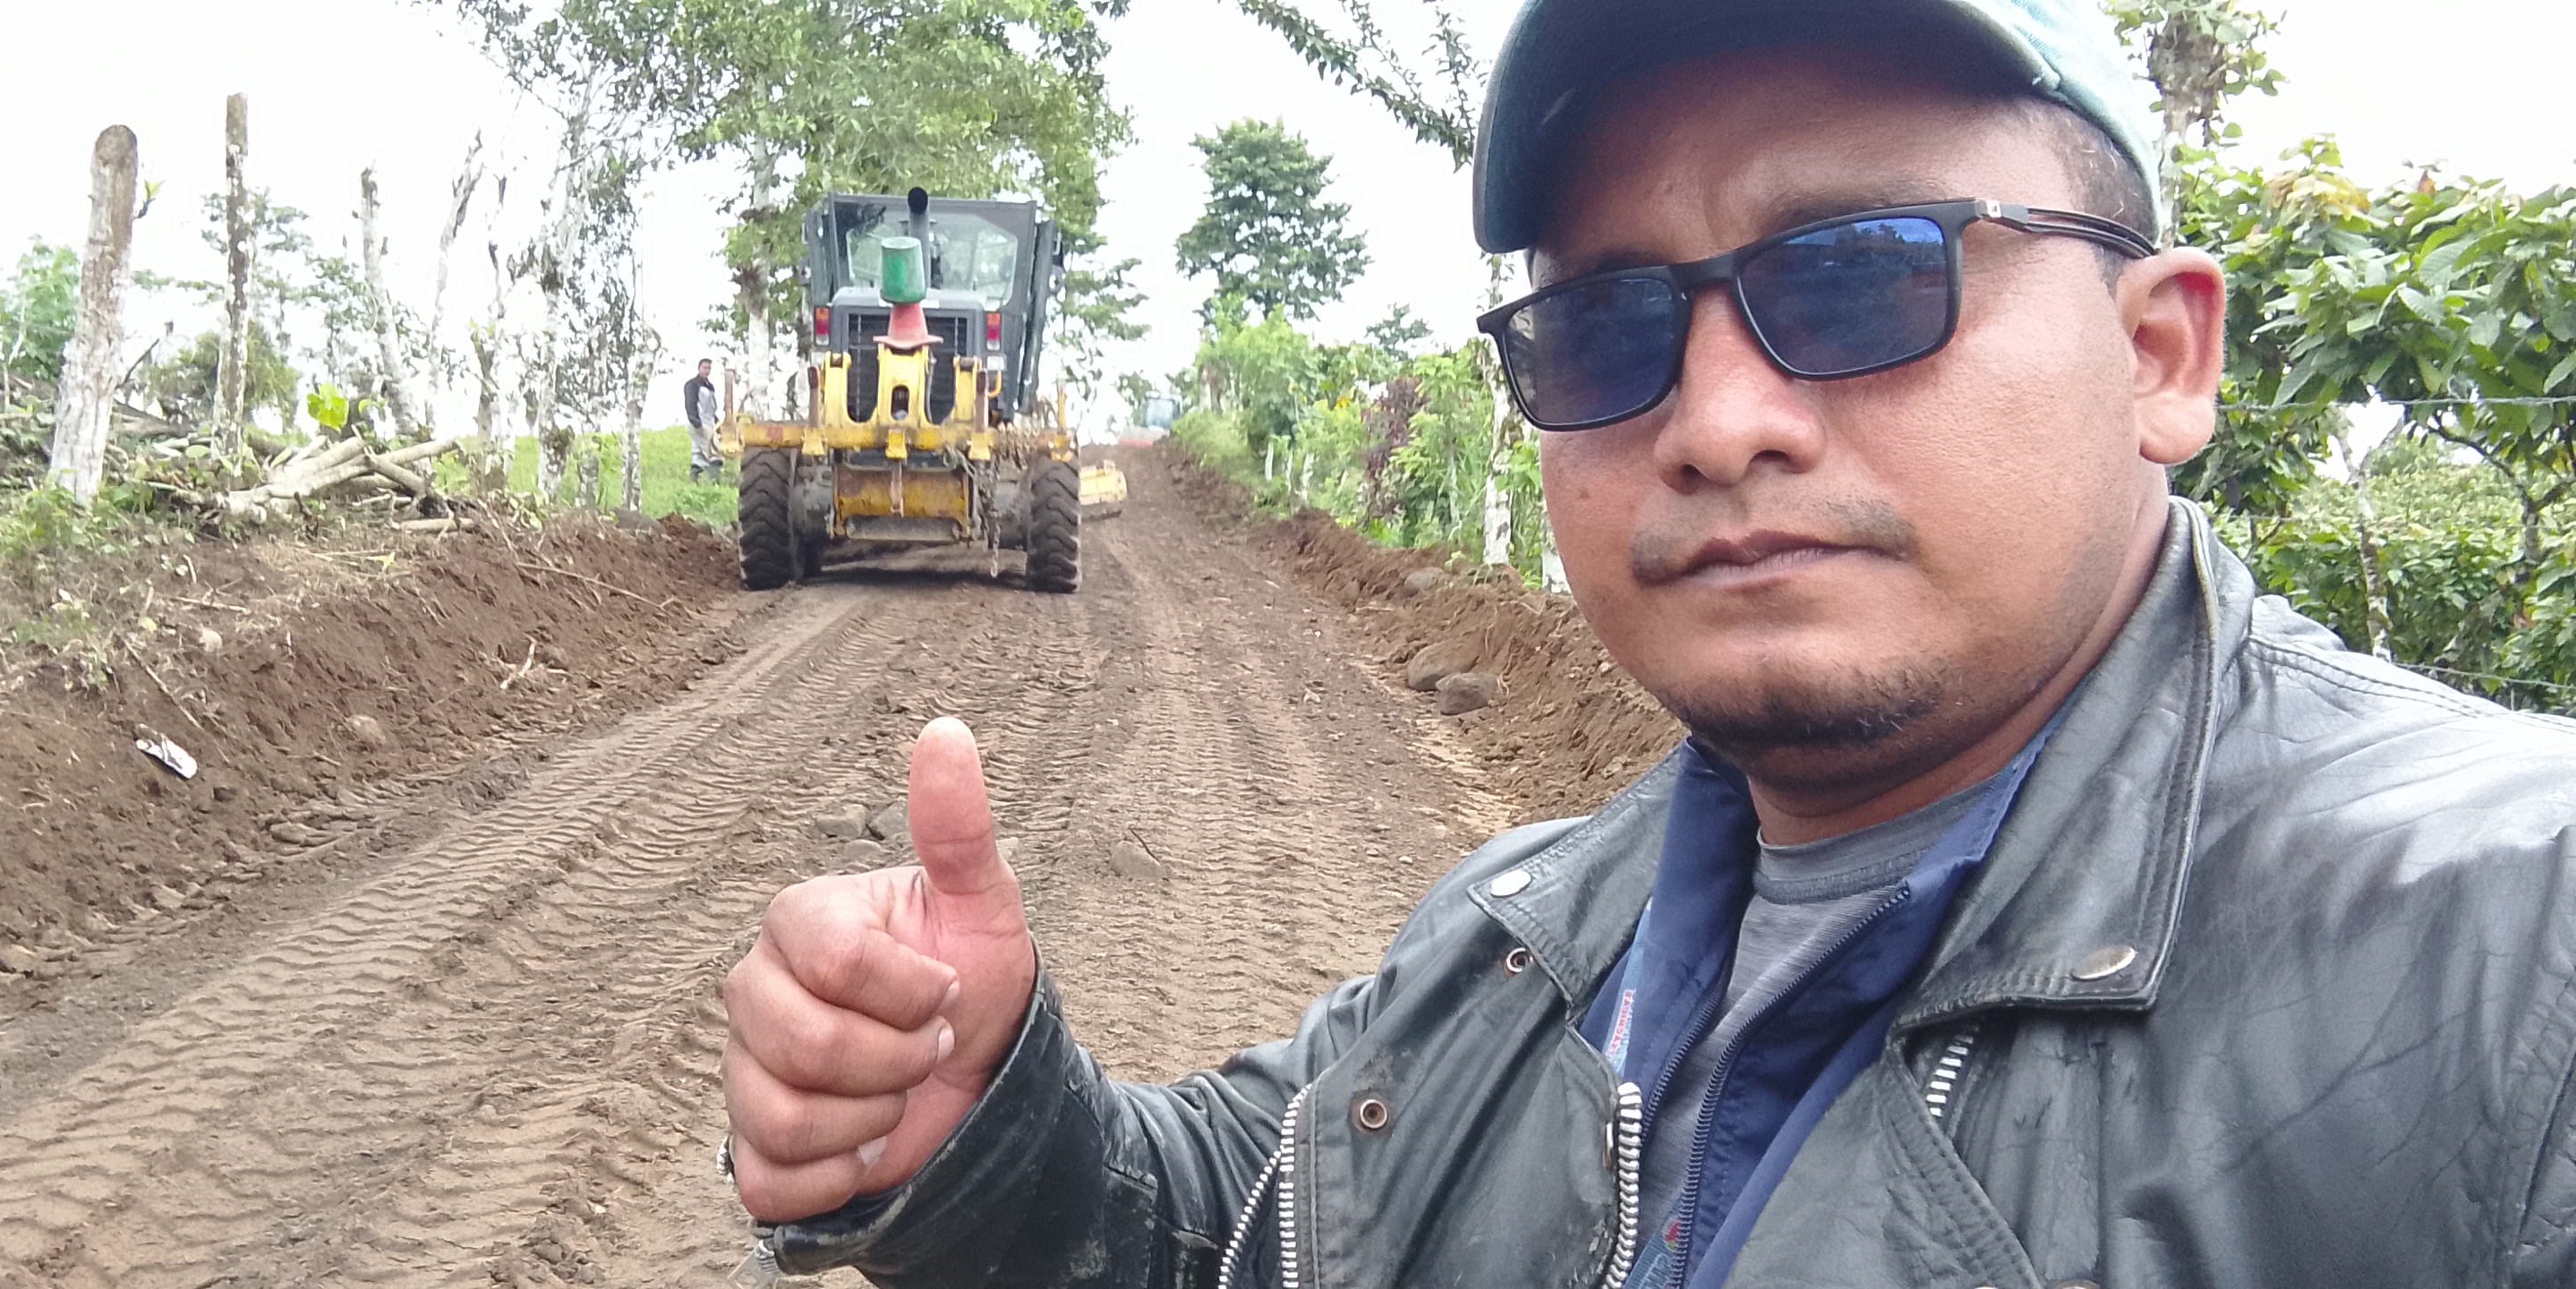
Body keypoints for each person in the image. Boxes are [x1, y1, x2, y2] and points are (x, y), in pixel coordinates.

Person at [717, 1, 2576, 1285]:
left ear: (2159, 352)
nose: (1718, 420)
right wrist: (988, 1130)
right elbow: (1251, 1228)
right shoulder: (1525, 934)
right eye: (1609, 326)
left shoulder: (2510, 967)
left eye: (1858, 274)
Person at [685, 359, 721, 481]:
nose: (707, 371)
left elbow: (711, 409)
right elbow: (690, 405)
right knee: (714, 449)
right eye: (704, 368)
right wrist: (697, 423)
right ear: (699, 368)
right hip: (699, 423)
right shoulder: (692, 385)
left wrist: (718, 423)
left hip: (708, 423)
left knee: (698, 453)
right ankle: (715, 480)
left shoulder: (710, 387)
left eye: (709, 368)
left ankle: (694, 480)